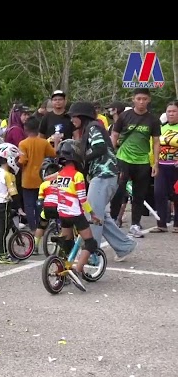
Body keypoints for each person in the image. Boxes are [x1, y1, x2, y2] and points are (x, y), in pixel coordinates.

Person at [68, 101, 136, 261]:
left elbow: (100, 148)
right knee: (99, 216)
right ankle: (124, 246)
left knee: (92, 216)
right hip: (104, 176)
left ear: (81, 116)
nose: (71, 120)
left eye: (73, 116)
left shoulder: (93, 127)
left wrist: (82, 157)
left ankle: (91, 254)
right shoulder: (89, 128)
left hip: (104, 175)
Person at [110, 88, 162, 238]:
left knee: (139, 194)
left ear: (148, 100)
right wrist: (111, 156)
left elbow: (156, 142)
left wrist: (156, 163)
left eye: (144, 99)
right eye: (138, 99)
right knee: (119, 190)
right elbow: (114, 135)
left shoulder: (152, 119)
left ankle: (135, 224)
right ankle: (113, 219)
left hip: (143, 161)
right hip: (123, 158)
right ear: (133, 99)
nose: (141, 102)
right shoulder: (124, 116)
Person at [54, 140, 102, 291]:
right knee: (90, 243)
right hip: (75, 214)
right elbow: (82, 199)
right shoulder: (77, 176)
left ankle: (61, 269)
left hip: (62, 214)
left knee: (66, 243)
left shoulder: (60, 175)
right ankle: (77, 269)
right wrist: (93, 215)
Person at [18, 116, 57, 231]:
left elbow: (23, 160)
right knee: (40, 203)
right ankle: (41, 226)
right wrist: (57, 142)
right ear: (38, 128)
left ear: (25, 129)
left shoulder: (23, 144)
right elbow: (53, 153)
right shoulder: (44, 143)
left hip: (27, 180)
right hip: (41, 178)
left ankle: (33, 227)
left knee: (29, 205)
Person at [0, 143, 24, 265]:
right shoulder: (8, 175)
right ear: (9, 159)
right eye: (15, 159)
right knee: (3, 231)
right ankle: (3, 255)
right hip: (3, 205)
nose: (16, 161)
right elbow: (14, 193)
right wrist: (19, 208)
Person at [151, 100, 178, 233]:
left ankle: (177, 224)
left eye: (174, 111)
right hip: (161, 165)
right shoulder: (161, 128)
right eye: (169, 111)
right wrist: (153, 163)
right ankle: (161, 223)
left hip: (176, 166)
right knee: (159, 193)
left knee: (176, 194)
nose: (171, 114)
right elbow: (154, 146)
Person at [33, 159, 61, 255]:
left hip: (47, 209)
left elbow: (40, 200)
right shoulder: (62, 183)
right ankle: (64, 248)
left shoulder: (44, 185)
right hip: (59, 209)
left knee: (41, 226)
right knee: (66, 224)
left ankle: (35, 246)